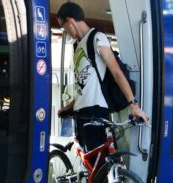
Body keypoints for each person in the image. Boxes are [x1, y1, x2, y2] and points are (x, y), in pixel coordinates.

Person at [56, 2, 148, 152]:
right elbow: (83, 85)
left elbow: (116, 72)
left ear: (70, 21)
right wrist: (68, 107)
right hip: (81, 113)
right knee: (90, 162)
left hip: (95, 111)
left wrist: (134, 105)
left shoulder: (97, 38)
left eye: (63, 26)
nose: (65, 31)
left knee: (100, 164)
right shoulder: (77, 46)